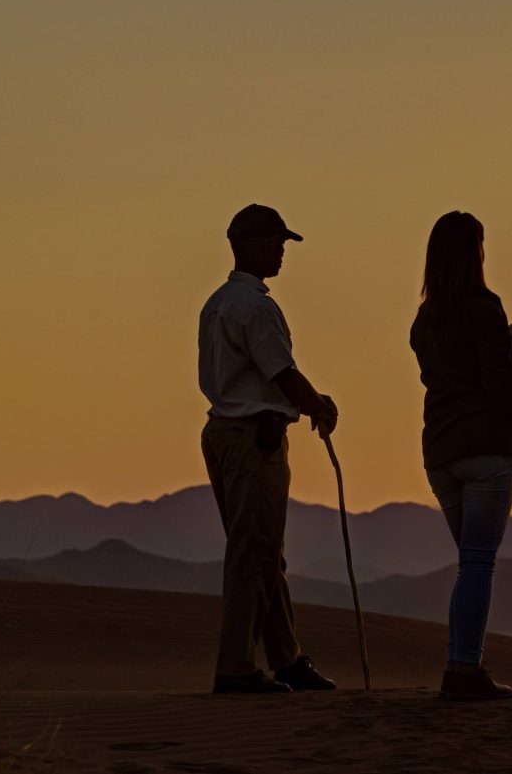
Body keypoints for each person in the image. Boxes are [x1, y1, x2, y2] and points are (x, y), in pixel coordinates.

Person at [196, 203, 340, 694]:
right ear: (255, 245)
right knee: (252, 553)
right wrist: (319, 405)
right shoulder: (255, 307)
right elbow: (281, 371)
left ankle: (287, 658)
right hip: (252, 435)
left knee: (262, 552)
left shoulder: (217, 303)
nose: (282, 252)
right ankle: (234, 668)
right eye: (277, 242)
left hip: (223, 433)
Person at [409, 211, 512, 701]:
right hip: (484, 446)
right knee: (478, 562)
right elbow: (494, 380)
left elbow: (445, 371)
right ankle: (463, 670)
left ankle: (465, 664)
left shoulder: (425, 318)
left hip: (440, 448)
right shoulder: (484, 307)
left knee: (470, 561)